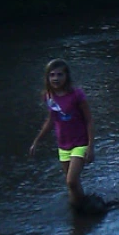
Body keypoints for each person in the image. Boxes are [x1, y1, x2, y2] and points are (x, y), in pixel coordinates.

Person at [30, 59, 95, 209]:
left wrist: (90, 147)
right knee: (72, 185)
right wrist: (37, 141)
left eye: (60, 74)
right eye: (52, 75)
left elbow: (89, 120)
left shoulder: (76, 95)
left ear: (66, 76)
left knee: (71, 181)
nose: (56, 78)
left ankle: (86, 208)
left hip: (80, 142)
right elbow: (51, 119)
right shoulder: (48, 96)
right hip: (63, 145)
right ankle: (79, 211)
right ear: (47, 77)